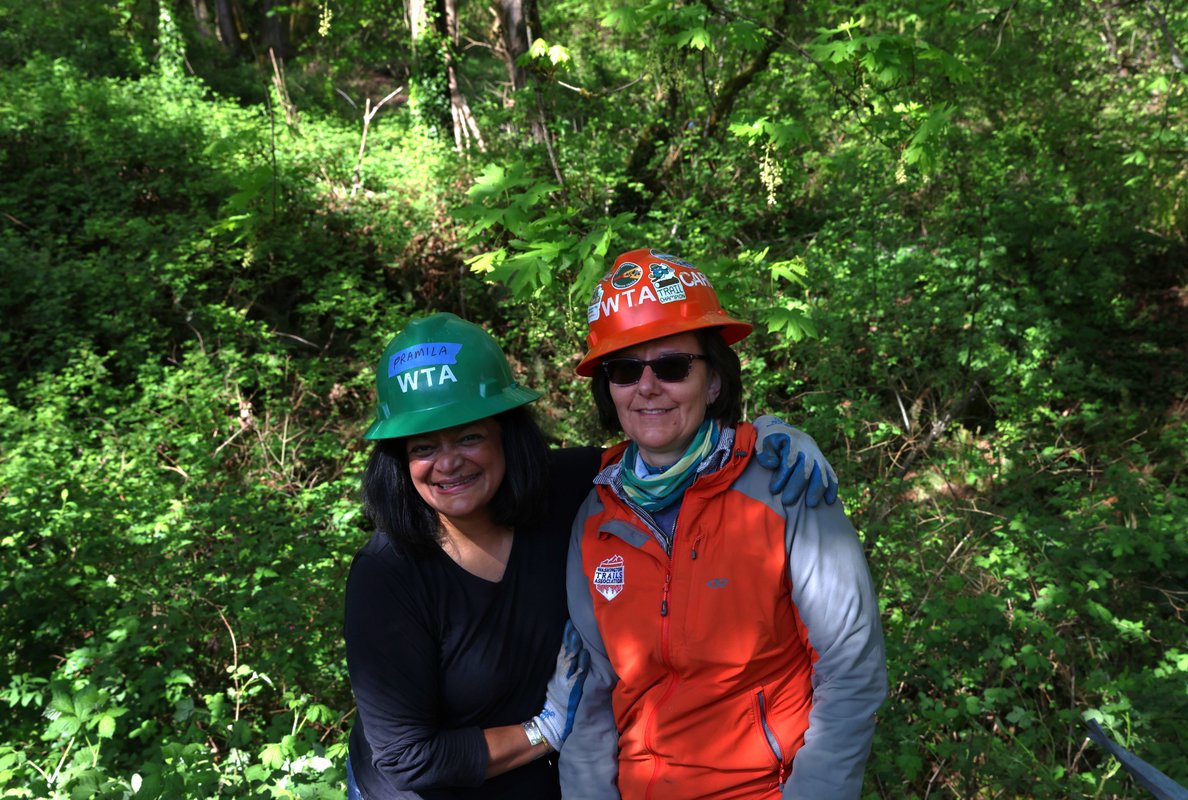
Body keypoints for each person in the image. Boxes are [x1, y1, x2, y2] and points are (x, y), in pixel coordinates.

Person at [343, 312, 839, 799]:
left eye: (470, 436)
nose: (449, 462)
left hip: (547, 782)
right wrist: (545, 730)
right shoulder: (388, 575)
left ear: (506, 434)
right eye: (423, 447)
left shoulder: (569, 490)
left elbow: (670, 450)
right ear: (398, 460)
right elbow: (409, 758)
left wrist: (770, 439)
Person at [559, 248, 889, 800]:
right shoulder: (595, 513)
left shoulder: (784, 484)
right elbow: (590, 686)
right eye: (624, 369)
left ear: (713, 381)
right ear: (608, 389)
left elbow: (851, 663)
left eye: (672, 366)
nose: (647, 386)